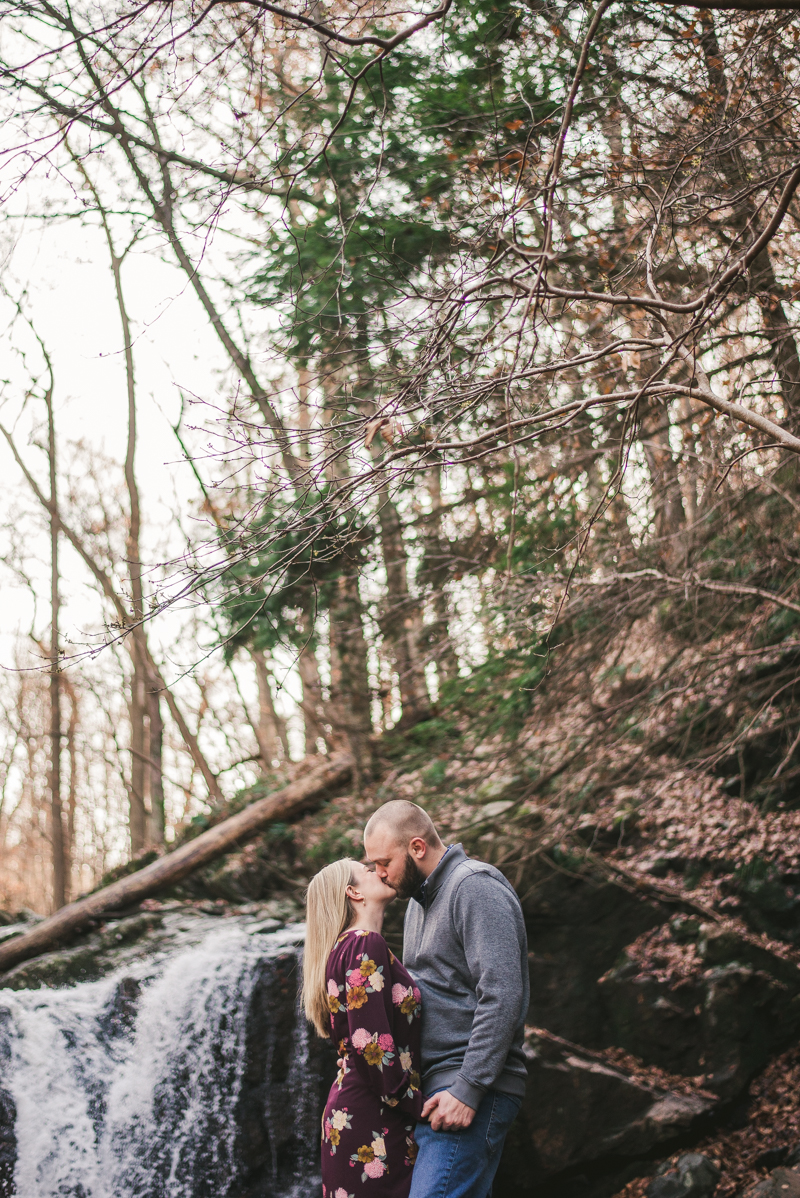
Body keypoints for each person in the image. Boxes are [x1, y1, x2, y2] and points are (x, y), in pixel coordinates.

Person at [364, 801, 529, 1198]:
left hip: (467, 1086)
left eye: (384, 861)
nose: (379, 873)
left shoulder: (474, 886)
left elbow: (503, 993)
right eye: (372, 865)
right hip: (435, 1089)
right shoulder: (417, 906)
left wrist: (468, 1089)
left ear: (417, 847)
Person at [303, 857, 423, 1198]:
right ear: (353, 891)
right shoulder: (364, 943)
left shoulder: (343, 947)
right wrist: (419, 1103)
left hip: (357, 1113)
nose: (380, 871)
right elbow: (370, 1044)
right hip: (376, 1117)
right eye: (369, 870)